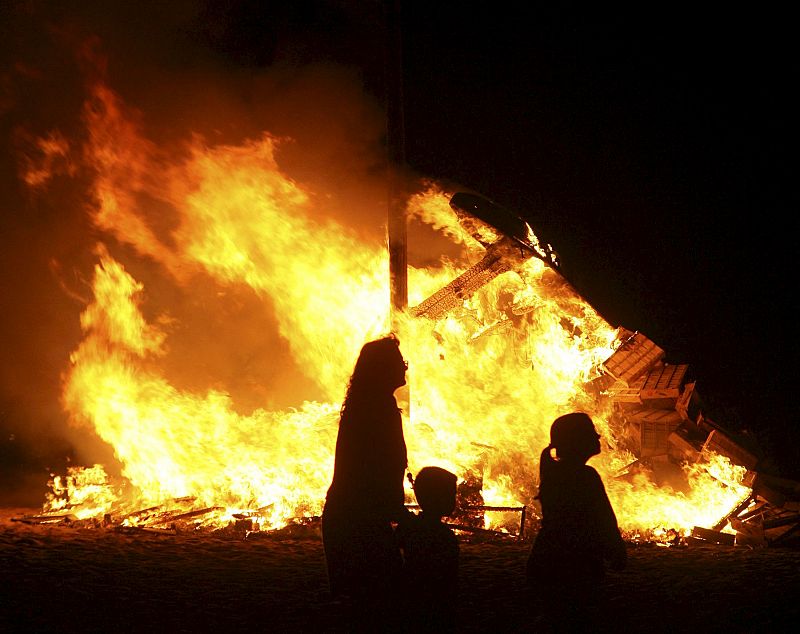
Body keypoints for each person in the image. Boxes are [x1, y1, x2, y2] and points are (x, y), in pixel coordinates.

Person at [321, 334, 411, 631]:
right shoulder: (377, 409)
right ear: (382, 369)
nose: (404, 367)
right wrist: (398, 512)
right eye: (399, 362)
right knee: (376, 603)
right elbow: (376, 469)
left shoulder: (369, 405)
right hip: (358, 519)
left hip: (349, 516)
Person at [526, 412, 627, 632]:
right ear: (577, 440)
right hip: (574, 563)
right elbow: (603, 519)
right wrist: (616, 551)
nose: (598, 435)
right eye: (591, 432)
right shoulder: (584, 476)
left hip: (547, 558)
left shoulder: (556, 473)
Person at [400, 466, 460, 633]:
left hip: (413, 602)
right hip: (435, 605)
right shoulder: (444, 536)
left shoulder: (410, 528)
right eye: (452, 494)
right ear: (439, 497)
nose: (455, 499)